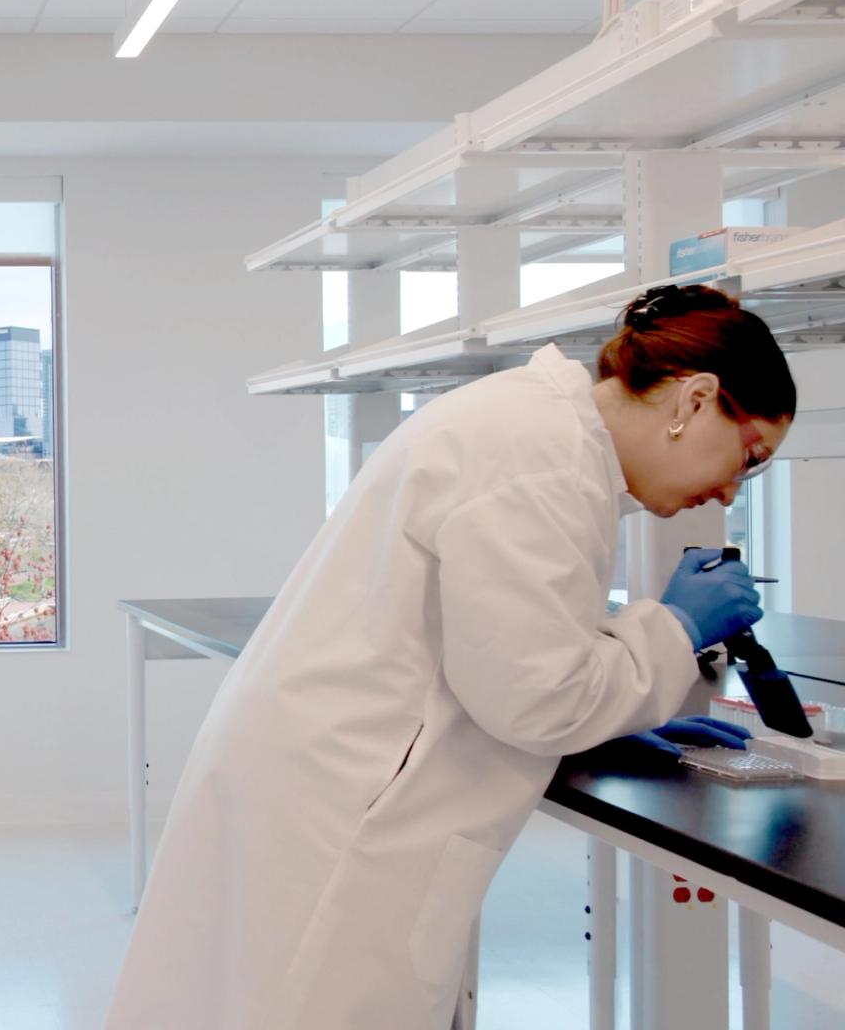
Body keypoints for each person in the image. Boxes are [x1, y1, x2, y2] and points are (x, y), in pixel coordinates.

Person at [104, 284, 794, 1029]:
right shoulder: (542, 460)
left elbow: (508, 639)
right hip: (350, 800)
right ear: (695, 399)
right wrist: (675, 631)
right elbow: (535, 698)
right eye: (749, 455)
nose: (731, 487)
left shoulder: (540, 433)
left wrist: (616, 714)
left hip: (333, 769)